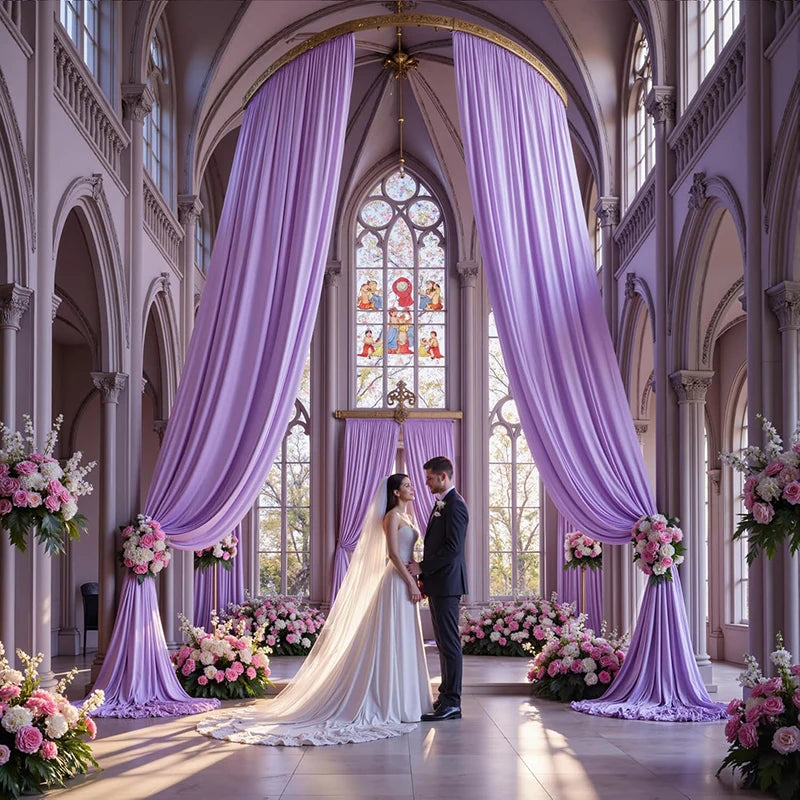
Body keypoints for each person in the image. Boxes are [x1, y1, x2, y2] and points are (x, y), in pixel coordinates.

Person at [196, 474, 433, 746]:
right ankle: (390, 701)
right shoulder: (391, 517)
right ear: (395, 491)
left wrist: (417, 577)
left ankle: (408, 702)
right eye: (407, 486)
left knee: (403, 641)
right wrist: (409, 582)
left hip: (407, 581)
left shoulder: (410, 519)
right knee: (393, 639)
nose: (412, 489)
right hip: (394, 582)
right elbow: (392, 555)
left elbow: (408, 554)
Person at [407, 456, 468, 721]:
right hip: (439, 583)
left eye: (430, 478)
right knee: (443, 643)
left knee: (449, 643)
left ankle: (452, 703)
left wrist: (422, 567)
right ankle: (445, 697)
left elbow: (453, 550)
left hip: (447, 583)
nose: (426, 483)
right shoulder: (443, 504)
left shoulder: (455, 505)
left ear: (443, 477)